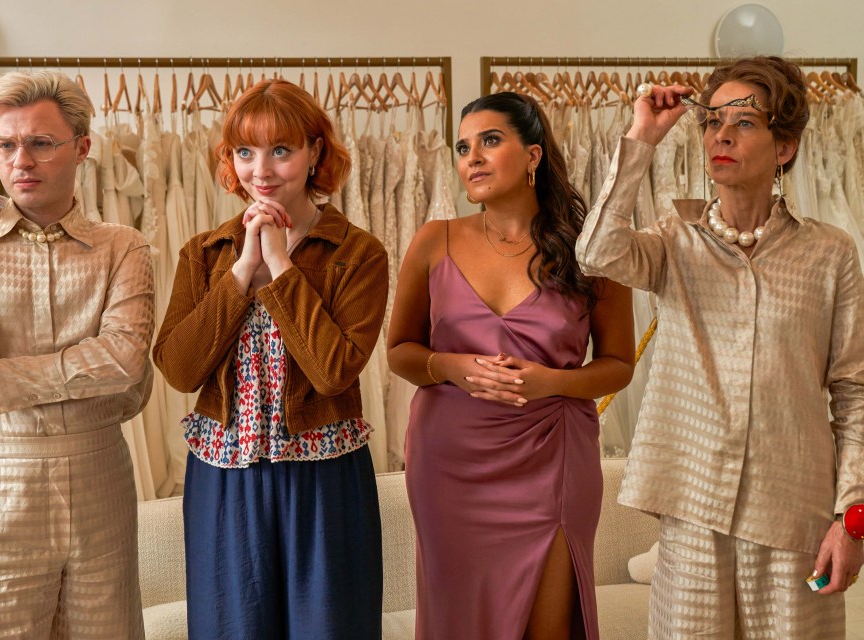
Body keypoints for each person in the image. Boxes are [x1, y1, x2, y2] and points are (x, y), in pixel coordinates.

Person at [576, 56, 864, 639]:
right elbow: (595, 253)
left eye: (746, 122)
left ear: (785, 147)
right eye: (711, 121)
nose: (722, 134)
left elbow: (855, 394)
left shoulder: (831, 254)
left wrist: (852, 521)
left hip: (794, 519)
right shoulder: (674, 240)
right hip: (694, 509)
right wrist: (641, 138)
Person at [0, 70, 153, 637]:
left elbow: (122, 359)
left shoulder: (123, 247)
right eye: (5, 145)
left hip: (99, 472)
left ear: (82, 148)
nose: (21, 160)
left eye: (41, 143)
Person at [388, 91, 635, 639]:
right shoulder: (434, 240)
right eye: (463, 147)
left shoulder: (591, 248)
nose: (472, 157)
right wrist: (451, 366)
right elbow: (400, 350)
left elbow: (619, 364)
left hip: (551, 456)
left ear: (533, 155)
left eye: (490, 141)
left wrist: (553, 383)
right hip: (449, 464)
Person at [153, 79, 387, 639]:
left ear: (315, 154)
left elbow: (334, 371)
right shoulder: (204, 253)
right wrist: (240, 276)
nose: (261, 170)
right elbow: (179, 369)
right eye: (245, 151)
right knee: (230, 628)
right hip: (223, 479)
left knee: (330, 628)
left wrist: (281, 266)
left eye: (281, 150)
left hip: (324, 476)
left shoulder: (357, 253)